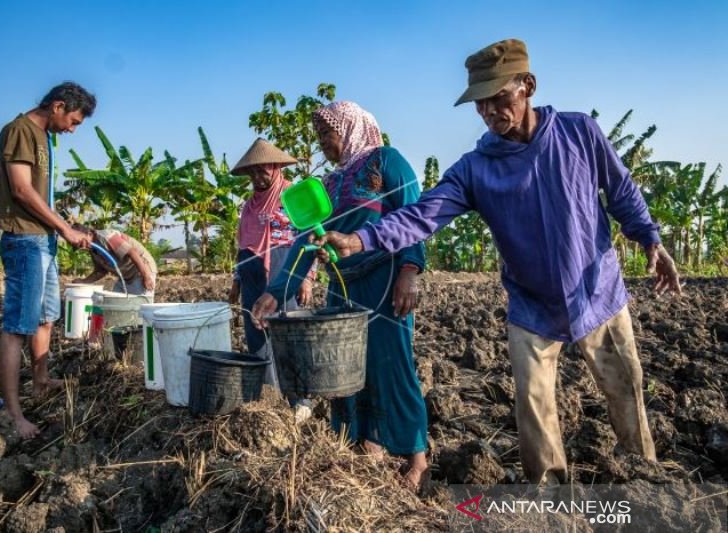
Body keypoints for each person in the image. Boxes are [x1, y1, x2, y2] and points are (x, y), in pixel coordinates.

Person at [316, 39, 682, 485]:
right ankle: (549, 501)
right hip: (532, 307)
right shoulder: (475, 169)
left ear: (527, 86)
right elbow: (422, 214)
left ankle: (643, 484)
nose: (490, 111)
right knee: (535, 408)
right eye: (480, 103)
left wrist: (650, 240)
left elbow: (620, 190)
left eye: (499, 97)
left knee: (625, 390)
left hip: (597, 291)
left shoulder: (579, 132)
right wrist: (361, 239)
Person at [252, 101, 430, 490]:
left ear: (349, 128)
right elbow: (306, 241)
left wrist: (410, 271)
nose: (323, 144)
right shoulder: (329, 184)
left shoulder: (386, 161)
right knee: (345, 370)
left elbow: (413, 214)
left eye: (326, 134)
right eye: (318, 137)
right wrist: (276, 293)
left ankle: (417, 457)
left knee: (392, 365)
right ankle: (367, 446)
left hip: (384, 281)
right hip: (342, 288)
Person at [0, 82, 97, 438]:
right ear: (57, 106)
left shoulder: (44, 139)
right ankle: (13, 414)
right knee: (17, 327)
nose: (71, 129)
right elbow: (21, 189)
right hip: (24, 240)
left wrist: (64, 228)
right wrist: (65, 229)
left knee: (46, 317)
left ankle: (40, 381)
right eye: (73, 121)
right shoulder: (20, 130)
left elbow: (37, 194)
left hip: (43, 240)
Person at [228, 138, 314, 419]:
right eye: (252, 172)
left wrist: (307, 277)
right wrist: (236, 280)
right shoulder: (249, 206)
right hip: (251, 271)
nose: (256, 176)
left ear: (275, 167)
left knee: (289, 332)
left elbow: (308, 236)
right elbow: (242, 242)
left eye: (261, 170)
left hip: (285, 267)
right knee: (257, 335)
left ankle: (300, 399)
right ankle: (269, 396)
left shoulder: (293, 196)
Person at [72, 224, 157, 299]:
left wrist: (146, 276)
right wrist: (84, 282)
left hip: (141, 271)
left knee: (140, 308)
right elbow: (101, 271)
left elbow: (132, 252)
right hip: (125, 277)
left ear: (89, 234)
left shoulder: (106, 237)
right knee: (115, 304)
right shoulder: (91, 248)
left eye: (81, 242)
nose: (82, 247)